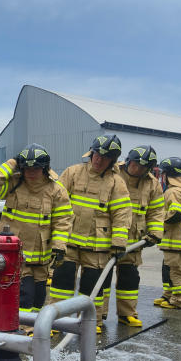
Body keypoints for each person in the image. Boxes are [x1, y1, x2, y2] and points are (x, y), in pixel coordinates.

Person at [53, 134, 132, 333]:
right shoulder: (72, 172)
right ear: (91, 153)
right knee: (61, 283)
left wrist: (119, 242)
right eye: (97, 154)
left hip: (97, 245)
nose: (99, 159)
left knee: (92, 286)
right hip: (68, 241)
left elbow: (122, 214)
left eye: (105, 157)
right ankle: (56, 321)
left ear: (112, 160)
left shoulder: (117, 182)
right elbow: (56, 202)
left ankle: (90, 322)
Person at [0, 143, 72, 313]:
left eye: (36, 169)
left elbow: (63, 221)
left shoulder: (56, 190)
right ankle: (22, 326)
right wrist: (13, 163)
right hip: (14, 253)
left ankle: (34, 325)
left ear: (45, 168)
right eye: (27, 168)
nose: (32, 172)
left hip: (41, 255)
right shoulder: (13, 184)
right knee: (24, 294)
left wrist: (59, 248)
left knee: (39, 296)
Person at [114, 146, 164, 327]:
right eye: (135, 164)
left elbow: (156, 211)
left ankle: (127, 314)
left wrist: (156, 232)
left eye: (143, 167)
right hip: (106, 238)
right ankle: (96, 317)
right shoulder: (113, 173)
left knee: (130, 277)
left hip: (133, 240)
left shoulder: (152, 184)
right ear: (128, 160)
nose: (137, 169)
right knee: (99, 278)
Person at [155, 157, 181, 309]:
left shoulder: (174, 191)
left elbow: (176, 214)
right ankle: (169, 295)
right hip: (178, 239)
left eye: (163, 173)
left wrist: (157, 221)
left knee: (177, 271)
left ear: (168, 174)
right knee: (170, 268)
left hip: (176, 239)